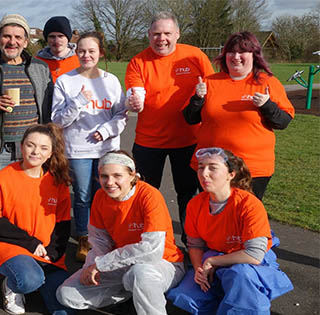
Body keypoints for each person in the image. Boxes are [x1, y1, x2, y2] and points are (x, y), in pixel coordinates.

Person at [124, 11, 215, 245]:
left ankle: (190, 242)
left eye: (166, 33)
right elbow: (135, 91)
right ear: (148, 35)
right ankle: (149, 242)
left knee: (188, 194)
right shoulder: (138, 61)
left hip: (188, 140)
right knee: (145, 194)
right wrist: (134, 100)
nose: (161, 39)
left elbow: (213, 89)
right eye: (156, 34)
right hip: (148, 141)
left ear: (177, 34)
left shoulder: (195, 57)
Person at [167, 147, 293, 314]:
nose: (204, 173)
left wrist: (213, 262)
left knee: (241, 276)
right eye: (200, 167)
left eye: (212, 167)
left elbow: (254, 255)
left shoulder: (249, 204)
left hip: (246, 260)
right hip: (214, 255)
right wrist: (199, 269)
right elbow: (195, 244)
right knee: (186, 296)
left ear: (231, 174)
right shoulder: (195, 204)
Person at [57, 150, 185, 315]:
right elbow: (99, 241)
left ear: (132, 176)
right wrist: (90, 268)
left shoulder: (149, 196)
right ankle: (131, 294)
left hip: (163, 263)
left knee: (141, 273)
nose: (110, 182)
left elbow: (152, 251)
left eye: (117, 175)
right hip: (121, 264)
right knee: (66, 294)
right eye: (104, 176)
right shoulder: (100, 197)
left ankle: (145, 299)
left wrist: (102, 264)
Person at [183, 31, 294, 200]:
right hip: (212, 166)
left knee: (245, 216)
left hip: (252, 168)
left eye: (243, 52)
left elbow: (283, 122)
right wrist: (197, 99)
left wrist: (267, 105)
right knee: (214, 215)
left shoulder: (267, 83)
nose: (236, 56)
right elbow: (190, 118)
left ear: (254, 55)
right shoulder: (209, 82)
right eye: (231, 52)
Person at [0, 123, 73, 315]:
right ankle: (13, 285)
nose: (35, 151)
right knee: (29, 280)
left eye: (43, 148)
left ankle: (39, 274)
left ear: (50, 153)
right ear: (22, 146)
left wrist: (53, 253)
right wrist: (30, 243)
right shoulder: (2, 179)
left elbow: (63, 224)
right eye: (30, 145)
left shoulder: (57, 182)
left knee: (66, 306)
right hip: (11, 246)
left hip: (44, 250)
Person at [51, 32, 127, 262]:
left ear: (100, 53)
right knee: (83, 197)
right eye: (82, 51)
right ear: (76, 53)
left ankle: (107, 235)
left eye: (92, 51)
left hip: (107, 150)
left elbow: (122, 115)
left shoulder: (111, 81)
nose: (86, 55)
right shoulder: (66, 81)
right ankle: (85, 238)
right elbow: (56, 120)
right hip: (78, 150)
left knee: (108, 194)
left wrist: (105, 130)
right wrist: (77, 103)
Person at [0, 14, 53, 180]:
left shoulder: (40, 68)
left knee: (32, 198)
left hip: (33, 150)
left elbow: (50, 106)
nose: (12, 42)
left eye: (18, 37)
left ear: (26, 42)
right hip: (0, 150)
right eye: (7, 36)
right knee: (1, 200)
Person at [36, 16, 80, 83]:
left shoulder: (80, 60)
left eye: (60, 36)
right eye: (52, 37)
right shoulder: (37, 63)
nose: (56, 41)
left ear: (68, 38)